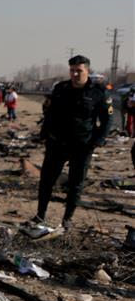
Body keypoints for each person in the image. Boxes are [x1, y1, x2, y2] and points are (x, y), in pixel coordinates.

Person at [31, 55, 110, 229]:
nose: (75, 74)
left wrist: (98, 141)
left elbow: (107, 120)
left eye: (79, 71)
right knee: (46, 180)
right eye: (72, 70)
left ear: (87, 71)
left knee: (75, 184)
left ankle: (67, 219)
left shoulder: (98, 92)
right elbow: (50, 114)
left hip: (82, 146)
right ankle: (40, 215)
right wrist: (44, 134)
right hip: (57, 144)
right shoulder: (61, 89)